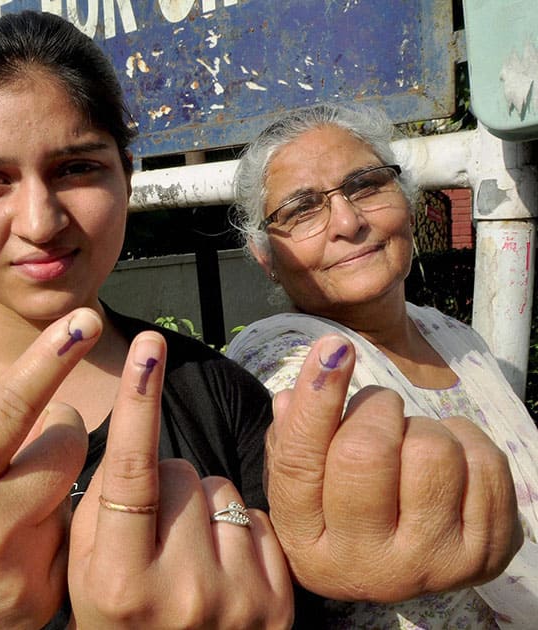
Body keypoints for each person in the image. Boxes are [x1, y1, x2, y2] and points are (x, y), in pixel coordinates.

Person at [0, 12, 521, 629]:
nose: (39, 220)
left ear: (126, 177)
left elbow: (313, 575)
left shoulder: (222, 393)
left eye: (77, 168)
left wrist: (358, 559)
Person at [226, 102, 538, 628]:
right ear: (266, 258)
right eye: (301, 210)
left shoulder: (456, 337)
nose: (348, 222)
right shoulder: (283, 361)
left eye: (367, 185)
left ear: (408, 202)